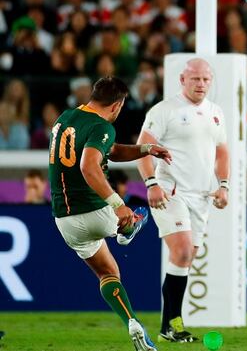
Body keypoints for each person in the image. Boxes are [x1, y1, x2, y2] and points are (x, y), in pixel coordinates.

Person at [49, 76, 171, 351]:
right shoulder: (102, 125)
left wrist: (146, 149)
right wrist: (118, 204)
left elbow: (110, 152)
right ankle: (126, 228)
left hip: (65, 220)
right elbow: (89, 166)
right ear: (117, 105)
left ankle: (132, 322)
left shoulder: (66, 117)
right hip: (98, 211)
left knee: (108, 273)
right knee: (139, 214)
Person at [136, 58, 229, 343]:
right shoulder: (165, 110)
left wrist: (223, 185)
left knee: (186, 259)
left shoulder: (215, 112)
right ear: (182, 80)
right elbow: (143, 148)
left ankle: (169, 327)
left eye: (205, 79)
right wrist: (151, 183)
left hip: (202, 196)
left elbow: (222, 152)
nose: (201, 84)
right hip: (171, 191)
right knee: (185, 252)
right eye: (195, 79)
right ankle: (171, 325)